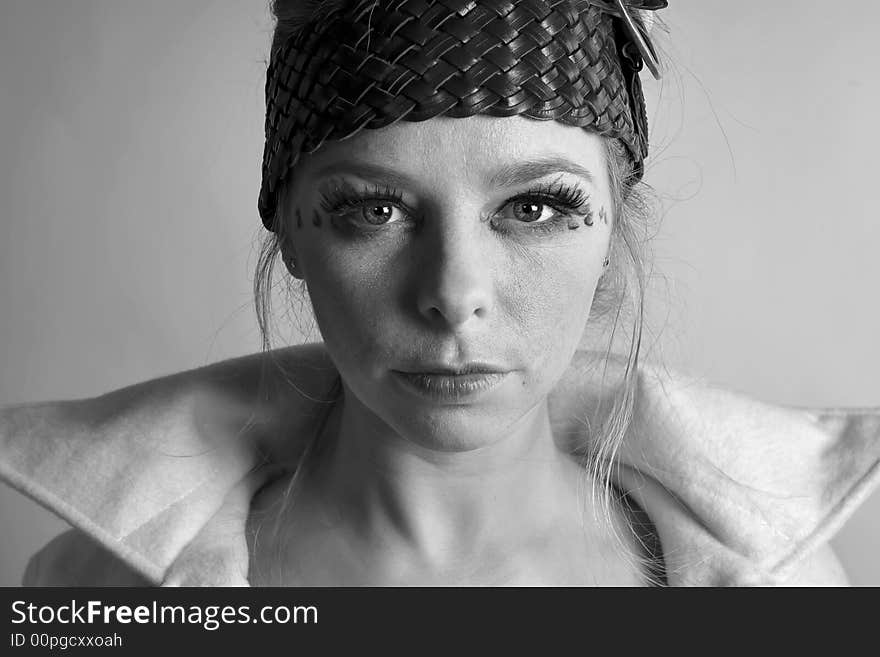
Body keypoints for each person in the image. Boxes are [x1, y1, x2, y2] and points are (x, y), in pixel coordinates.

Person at [1, 0, 878, 587]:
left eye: (535, 206)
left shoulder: (784, 587)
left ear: (612, 235)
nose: (453, 295)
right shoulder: (93, 592)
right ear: (292, 234)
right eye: (373, 209)